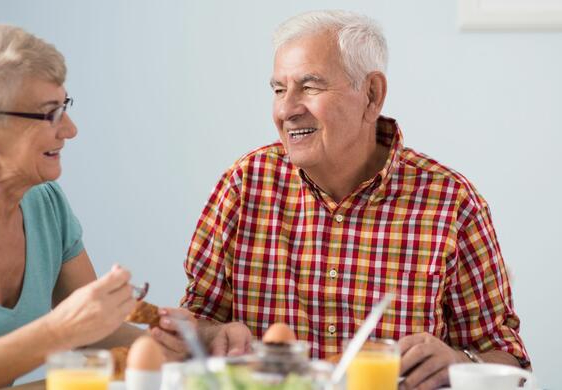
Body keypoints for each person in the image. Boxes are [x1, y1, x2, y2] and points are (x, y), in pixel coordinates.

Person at [169, 9, 530, 390]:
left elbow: (508, 359)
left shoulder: (452, 204)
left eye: (309, 87)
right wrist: (211, 336)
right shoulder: (244, 186)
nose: (286, 109)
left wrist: (460, 361)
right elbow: (195, 322)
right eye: (278, 89)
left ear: (372, 95)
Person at [0, 16, 187, 388]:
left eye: (66, 107)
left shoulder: (45, 203)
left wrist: (187, 348)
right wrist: (56, 332)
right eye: (50, 113)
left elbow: (93, 330)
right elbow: (70, 328)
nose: (70, 129)